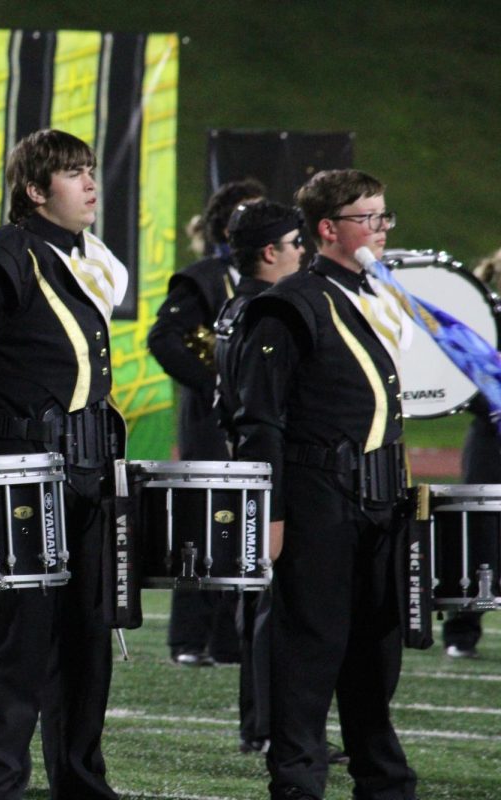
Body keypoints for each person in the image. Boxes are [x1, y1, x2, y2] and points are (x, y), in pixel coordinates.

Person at [0, 128, 127, 800]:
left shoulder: (84, 260)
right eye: (74, 173)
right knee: (14, 648)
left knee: (86, 644)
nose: (91, 183)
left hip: (89, 479)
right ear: (36, 190)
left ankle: (80, 781)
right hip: (20, 483)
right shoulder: (0, 260)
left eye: (91, 169)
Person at [233, 169, 418, 800]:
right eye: (369, 217)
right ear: (328, 229)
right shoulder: (289, 303)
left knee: (377, 650)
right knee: (310, 652)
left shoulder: (383, 295)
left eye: (385, 215)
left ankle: (382, 777)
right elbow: (257, 419)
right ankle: (297, 781)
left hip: (381, 498)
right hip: (317, 494)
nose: (382, 229)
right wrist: (273, 515)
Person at [148, 178, 266, 666]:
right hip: (210, 423)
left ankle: (230, 639)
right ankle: (188, 638)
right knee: (203, 523)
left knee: (247, 525)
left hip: (256, 422)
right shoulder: (204, 277)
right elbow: (165, 338)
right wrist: (212, 385)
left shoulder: (274, 278)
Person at [213, 199, 306, 755]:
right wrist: (273, 506)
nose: (303, 252)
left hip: (248, 469)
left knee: (261, 608)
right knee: (274, 611)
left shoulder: (235, 306)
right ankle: (270, 727)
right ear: (270, 251)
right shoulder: (268, 311)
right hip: (267, 473)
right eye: (297, 243)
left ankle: (263, 724)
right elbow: (263, 416)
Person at [442, 247, 501, 659]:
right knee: (479, 535)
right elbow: (464, 378)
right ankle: (462, 631)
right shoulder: (485, 320)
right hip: (492, 435)